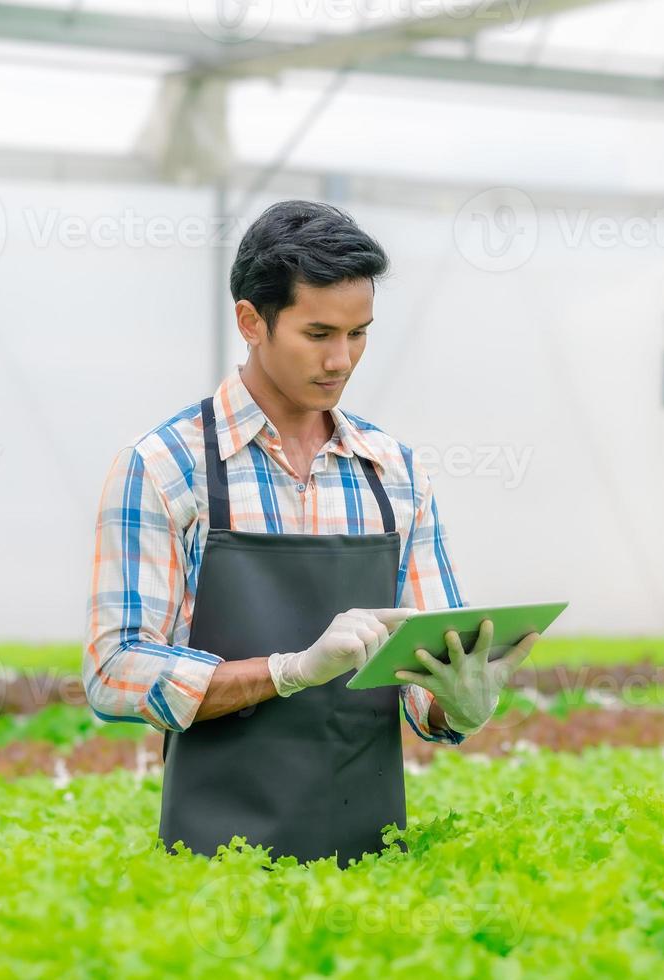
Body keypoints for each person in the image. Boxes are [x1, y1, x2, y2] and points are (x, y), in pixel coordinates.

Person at [82, 200, 537, 866]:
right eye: (318, 333)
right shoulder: (165, 467)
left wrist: (455, 705)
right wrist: (288, 672)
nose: (342, 359)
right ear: (251, 321)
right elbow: (114, 670)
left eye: (359, 334)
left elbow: (424, 664)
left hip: (370, 857)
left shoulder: (393, 472)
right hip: (215, 862)